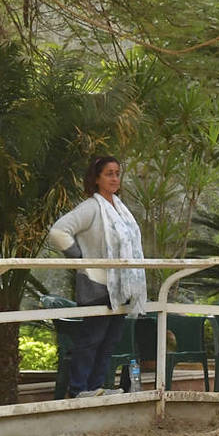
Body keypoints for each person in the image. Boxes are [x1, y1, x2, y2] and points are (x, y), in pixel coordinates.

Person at [47, 156, 147, 397]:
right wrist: (81, 259)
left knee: (109, 342)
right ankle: (78, 389)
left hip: (121, 287)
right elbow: (58, 231)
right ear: (96, 178)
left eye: (117, 174)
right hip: (96, 285)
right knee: (91, 340)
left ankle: (96, 388)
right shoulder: (91, 207)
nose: (114, 178)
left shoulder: (121, 209)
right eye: (109, 174)